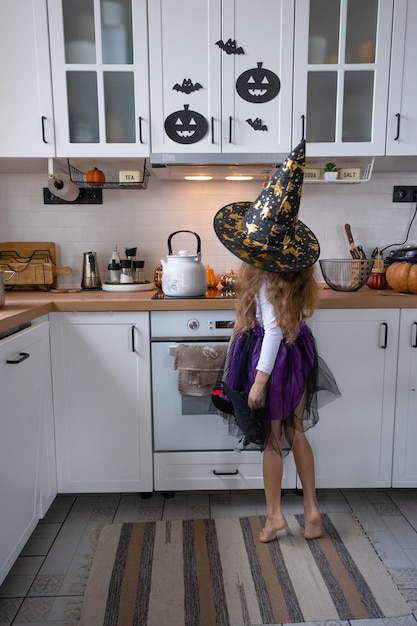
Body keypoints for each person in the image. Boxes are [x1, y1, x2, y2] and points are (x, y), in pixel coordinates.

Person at [213, 141, 340, 543]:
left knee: (271, 439)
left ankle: (273, 517)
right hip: (299, 352)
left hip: (274, 362)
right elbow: (289, 324)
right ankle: (313, 512)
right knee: (297, 430)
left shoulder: (266, 279)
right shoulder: (296, 274)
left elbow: (269, 332)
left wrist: (259, 381)